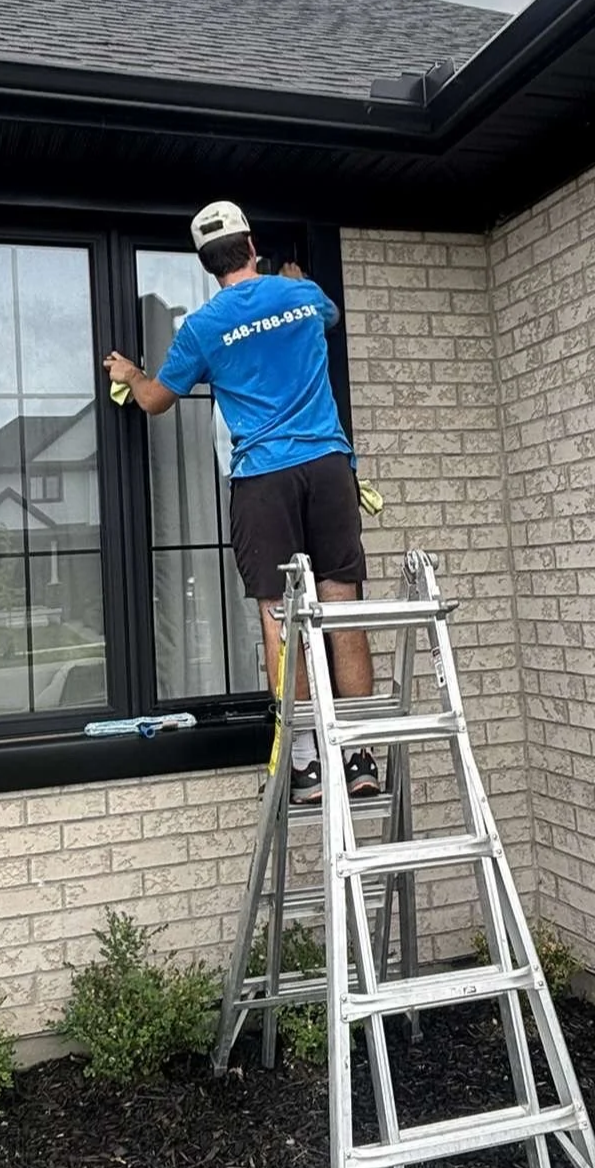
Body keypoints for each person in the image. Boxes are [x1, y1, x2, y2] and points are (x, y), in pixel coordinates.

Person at [103, 200, 378, 804]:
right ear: (251, 245)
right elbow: (326, 313)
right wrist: (297, 281)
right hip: (329, 468)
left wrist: (129, 370)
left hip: (264, 479)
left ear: (208, 266)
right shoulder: (302, 298)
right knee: (342, 607)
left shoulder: (203, 327)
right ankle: (360, 758)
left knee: (280, 617)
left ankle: (305, 765)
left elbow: (154, 400)